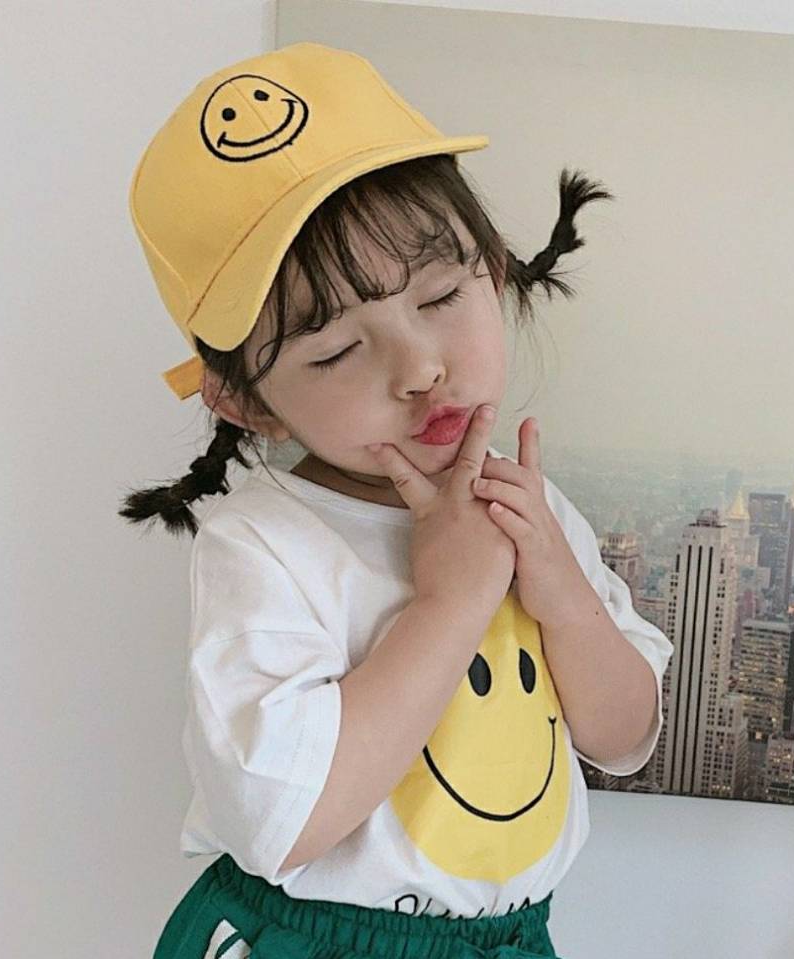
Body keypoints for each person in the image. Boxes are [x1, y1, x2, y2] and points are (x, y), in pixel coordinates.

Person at [120, 41, 674, 959]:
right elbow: (284, 821)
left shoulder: (529, 504)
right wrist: (451, 601)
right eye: (337, 350)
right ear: (245, 402)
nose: (419, 367)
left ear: (493, 270)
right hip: (316, 941)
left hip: (510, 940)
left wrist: (563, 594)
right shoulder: (263, 542)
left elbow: (623, 738)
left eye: (441, 295)